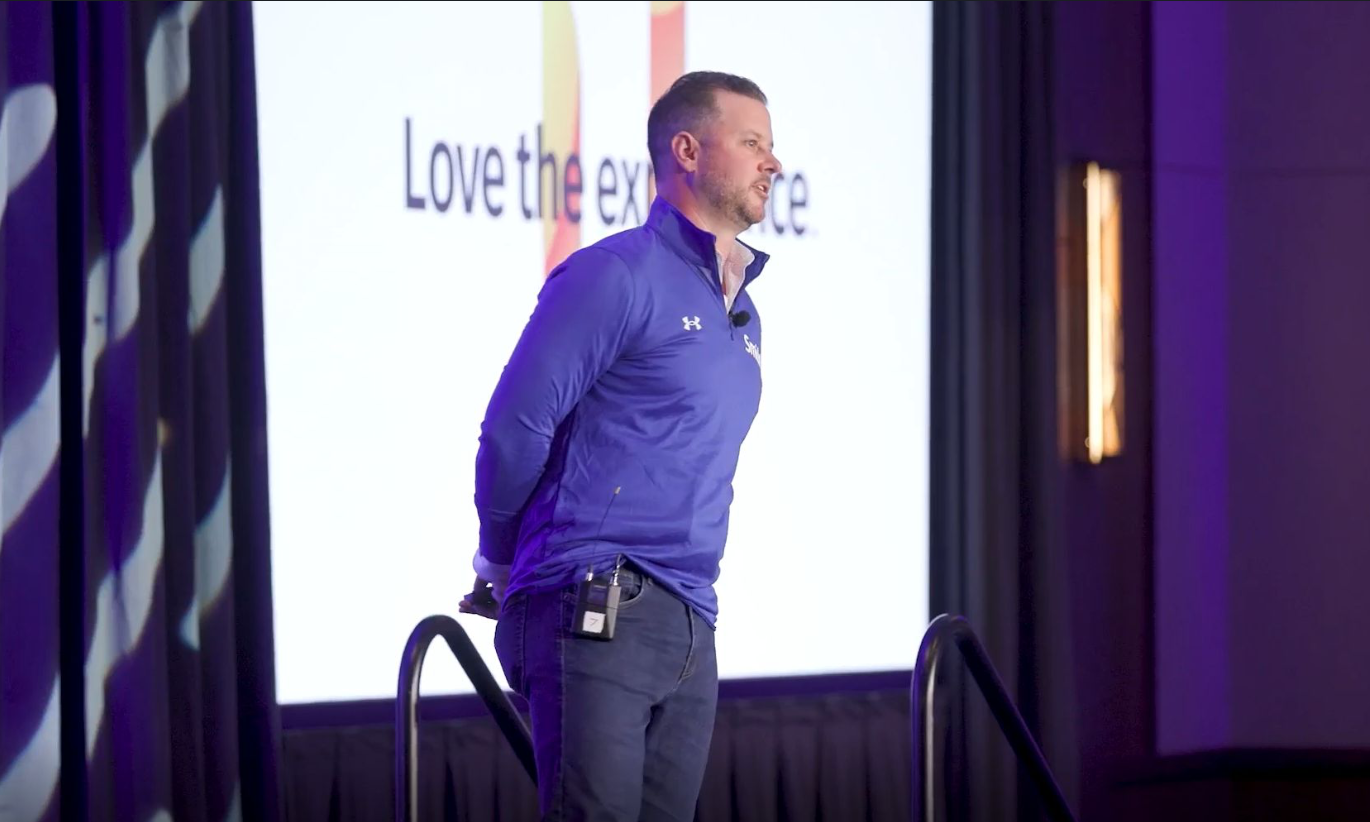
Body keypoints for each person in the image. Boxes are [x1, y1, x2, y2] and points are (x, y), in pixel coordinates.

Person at [459, 70, 781, 821]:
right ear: (688, 150)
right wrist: (498, 561)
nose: (774, 162)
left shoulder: (742, 312)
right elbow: (513, 430)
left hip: (691, 622)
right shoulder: (614, 275)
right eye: (753, 142)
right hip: (595, 606)